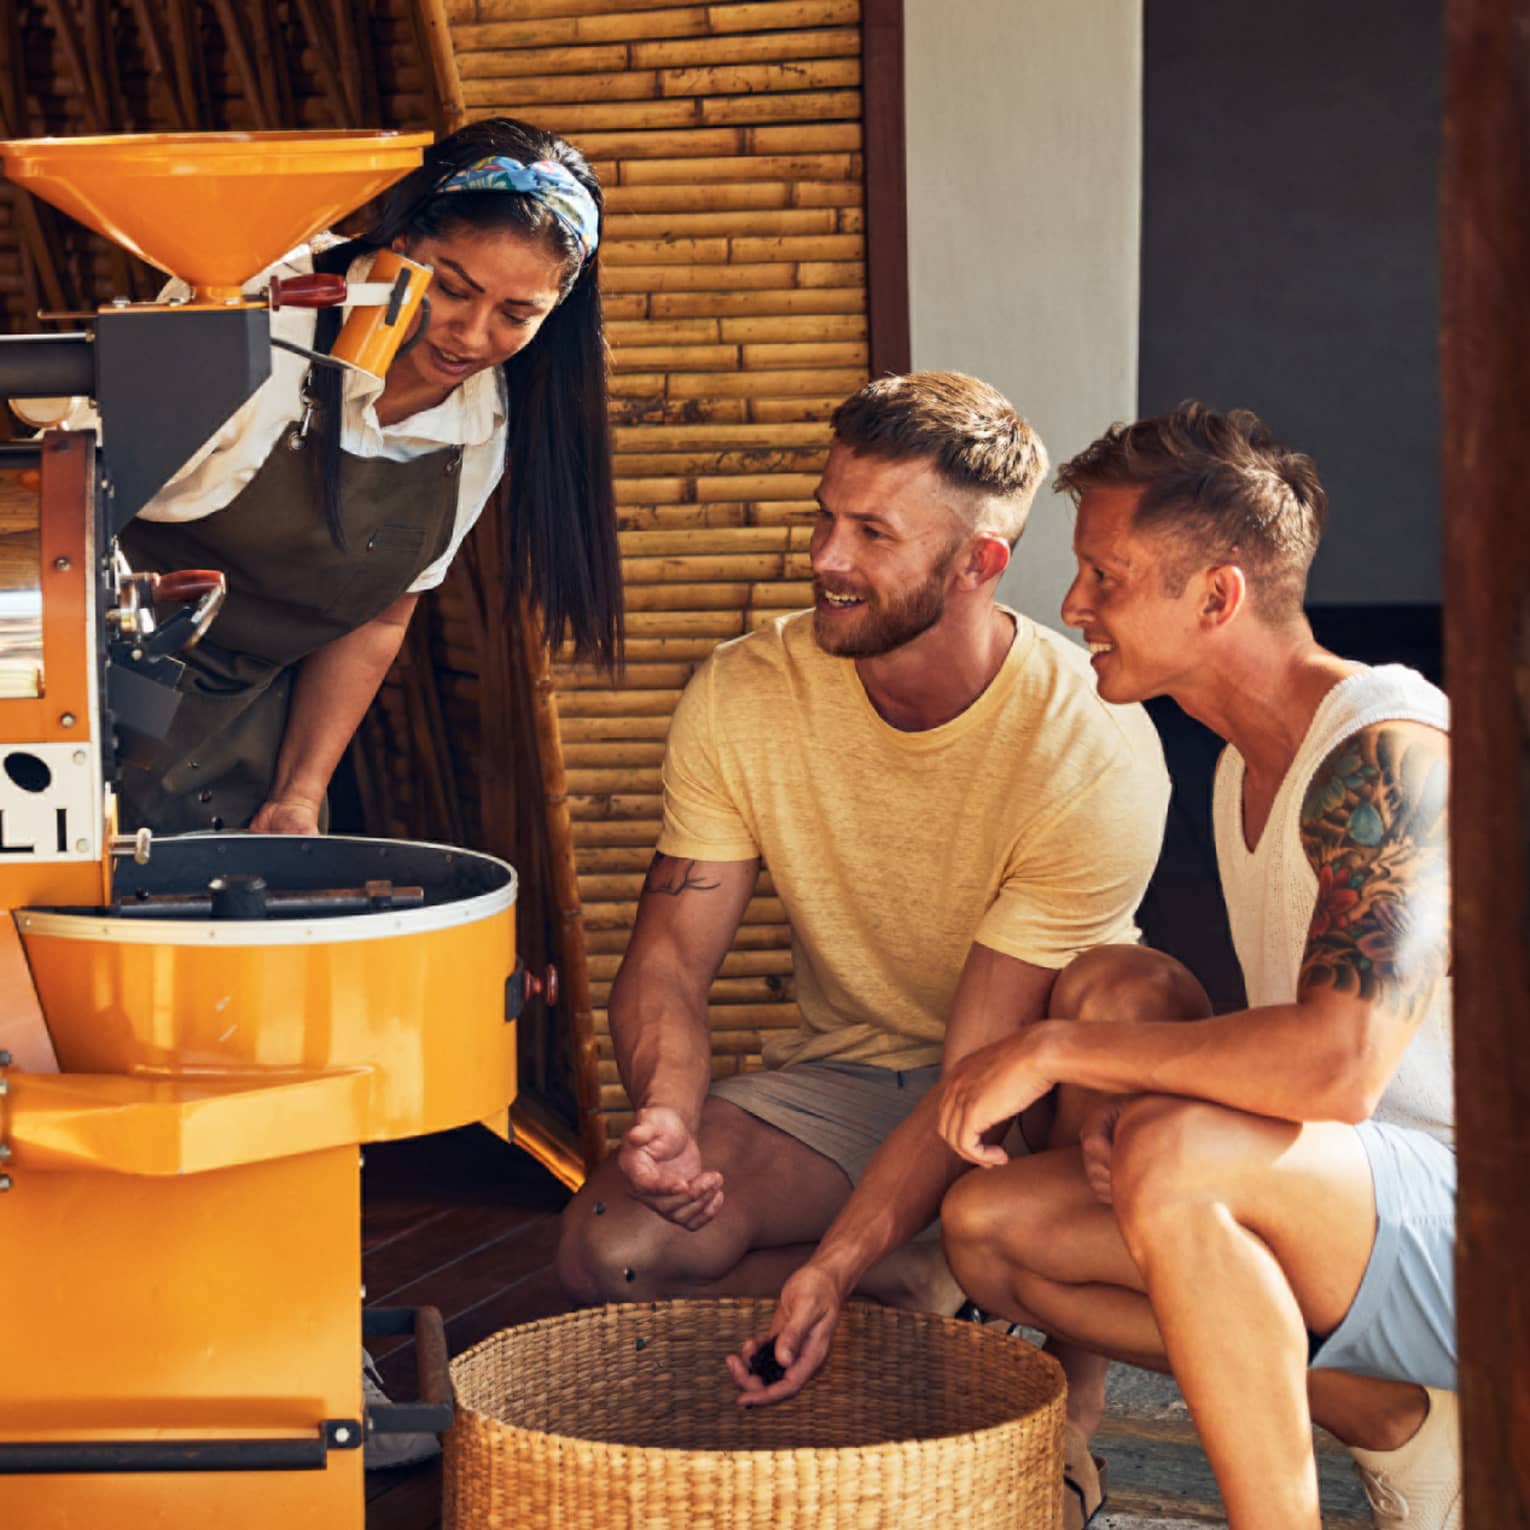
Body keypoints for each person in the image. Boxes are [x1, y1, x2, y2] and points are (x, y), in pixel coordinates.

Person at [556, 373, 1175, 1496]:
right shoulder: (746, 692)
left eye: (873, 533)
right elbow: (668, 961)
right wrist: (666, 1110)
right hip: (845, 1080)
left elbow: (978, 1069)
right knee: (615, 1247)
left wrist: (832, 1261)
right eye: (826, 516)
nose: (826, 558)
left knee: (1116, 1002)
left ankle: (1067, 1402)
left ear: (979, 564)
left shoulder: (1088, 741)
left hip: (1023, 1085)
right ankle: (920, 1289)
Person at [922, 404, 1456, 1530]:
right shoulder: (1239, 772)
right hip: (1375, 1219)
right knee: (991, 1231)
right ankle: (1404, 1425)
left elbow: (1342, 1065)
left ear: (1216, 597)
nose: (1072, 607)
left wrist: (1064, 1049)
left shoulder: (1388, 751)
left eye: (1104, 577)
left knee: (1175, 1149)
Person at [110, 116, 621, 835]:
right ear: (402, 241)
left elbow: (382, 616)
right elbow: (69, 509)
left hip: (232, 744)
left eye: (516, 314)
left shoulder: (483, 425)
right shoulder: (261, 305)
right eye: (451, 288)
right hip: (66, 688)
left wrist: (299, 794)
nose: (472, 336)